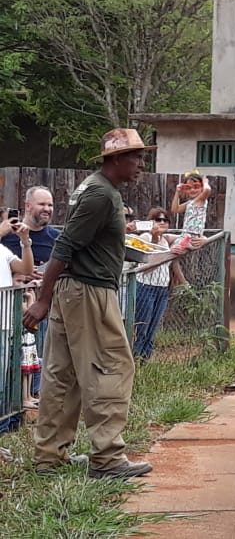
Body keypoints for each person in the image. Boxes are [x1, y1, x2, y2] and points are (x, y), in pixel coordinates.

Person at [23, 128, 156, 479]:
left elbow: (87, 242)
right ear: (115, 159)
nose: (142, 164)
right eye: (136, 156)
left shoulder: (93, 188)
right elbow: (65, 246)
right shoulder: (101, 194)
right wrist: (42, 299)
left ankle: (49, 456)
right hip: (88, 292)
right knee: (111, 368)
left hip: (74, 291)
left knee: (61, 375)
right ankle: (107, 457)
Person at [1, 185, 61, 396]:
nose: (47, 208)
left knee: (37, 354)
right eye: (42, 204)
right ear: (27, 206)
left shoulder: (56, 237)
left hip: (43, 305)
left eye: (50, 205)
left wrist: (47, 277)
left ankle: (32, 398)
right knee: (8, 358)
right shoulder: (7, 236)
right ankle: (11, 400)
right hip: (8, 306)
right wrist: (17, 275)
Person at [132, 207, 185, 360]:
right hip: (146, 287)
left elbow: (186, 237)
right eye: (158, 219)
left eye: (165, 220)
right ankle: (136, 359)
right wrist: (168, 252)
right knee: (142, 327)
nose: (161, 222)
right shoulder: (146, 237)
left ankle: (146, 359)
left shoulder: (166, 239)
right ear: (150, 222)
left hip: (162, 289)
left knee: (153, 328)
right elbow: (148, 265)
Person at [0, 209, 35, 433]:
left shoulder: (3, 250)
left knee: (3, 383)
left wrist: (25, 242)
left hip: (6, 323)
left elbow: (26, 269)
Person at [171, 170, 211, 236]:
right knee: (167, 237)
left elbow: (207, 190)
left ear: (202, 187)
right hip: (185, 235)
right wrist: (177, 192)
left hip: (193, 236)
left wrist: (205, 182)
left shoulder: (201, 200)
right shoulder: (191, 202)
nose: (192, 190)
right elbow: (175, 209)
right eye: (188, 187)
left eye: (196, 187)